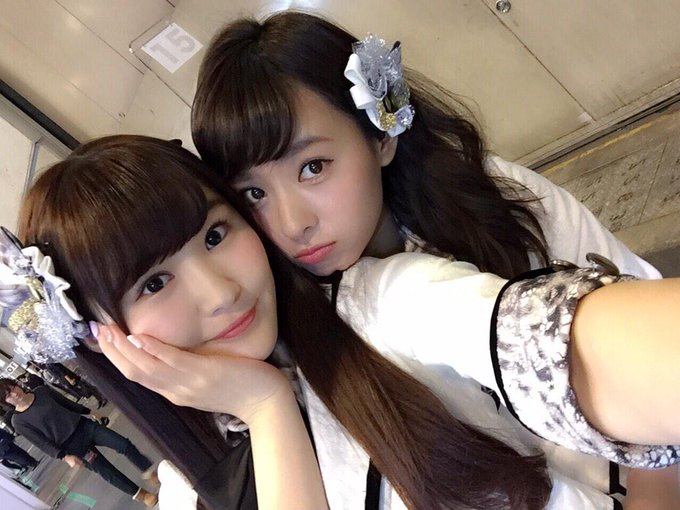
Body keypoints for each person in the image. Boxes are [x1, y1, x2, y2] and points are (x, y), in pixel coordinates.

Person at [13, 135, 680, 509]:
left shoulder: (382, 302)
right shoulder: (193, 492)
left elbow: (579, 347)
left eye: (216, 235)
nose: (221, 292)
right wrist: (267, 409)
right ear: (99, 332)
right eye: (155, 282)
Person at [190, 10, 670, 503]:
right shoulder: (290, 341)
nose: (292, 224)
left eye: (313, 167)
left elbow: (644, 338)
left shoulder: (490, 197)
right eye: (253, 194)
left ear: (381, 135)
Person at [0, 379, 157, 506]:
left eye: (13, 388)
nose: (14, 393)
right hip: (73, 447)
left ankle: (148, 471)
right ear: (5, 402)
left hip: (86, 427)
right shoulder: (18, 421)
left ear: (17, 385)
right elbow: (42, 443)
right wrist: (64, 457)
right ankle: (141, 495)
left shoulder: (42, 391)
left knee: (123, 444)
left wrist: (91, 412)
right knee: (107, 471)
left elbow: (67, 403)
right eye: (8, 395)